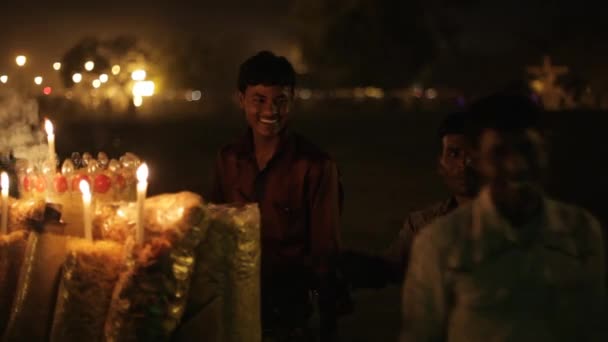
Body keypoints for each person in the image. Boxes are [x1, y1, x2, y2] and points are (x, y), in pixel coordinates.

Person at [401, 94, 606, 341]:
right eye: (499, 153)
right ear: (477, 160)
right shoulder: (441, 242)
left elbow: (595, 326)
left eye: (526, 149)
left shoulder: (580, 232)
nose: (516, 165)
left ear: (545, 152)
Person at [210, 51, 344, 341]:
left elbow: (326, 250)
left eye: (280, 100)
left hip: (290, 315)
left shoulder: (315, 166)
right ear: (241, 99)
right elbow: (215, 230)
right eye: (259, 100)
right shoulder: (228, 159)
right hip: (234, 303)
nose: (270, 111)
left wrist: (327, 319)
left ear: (292, 100)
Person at [340, 111, 479, 288]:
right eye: (454, 154)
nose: (463, 164)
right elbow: (389, 268)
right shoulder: (424, 223)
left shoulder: (514, 220)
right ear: (440, 164)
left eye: (472, 155)